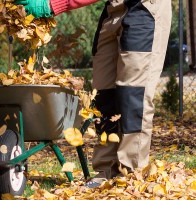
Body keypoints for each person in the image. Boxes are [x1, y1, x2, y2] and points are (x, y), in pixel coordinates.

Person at [14, 0, 172, 188]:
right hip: (114, 9)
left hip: (145, 7)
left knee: (133, 95)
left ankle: (131, 175)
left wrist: (52, 5)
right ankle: (105, 172)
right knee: (103, 95)